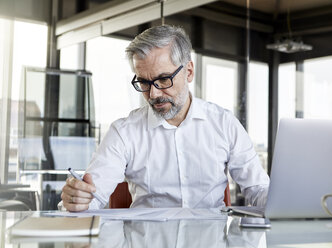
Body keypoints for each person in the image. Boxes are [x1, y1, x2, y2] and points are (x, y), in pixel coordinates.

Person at [61, 25, 270, 212]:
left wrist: (284, 200)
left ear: (188, 71)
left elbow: (258, 189)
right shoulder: (124, 133)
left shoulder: (223, 124)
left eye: (163, 79)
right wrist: (77, 200)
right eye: (143, 82)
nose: (153, 95)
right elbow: (90, 197)